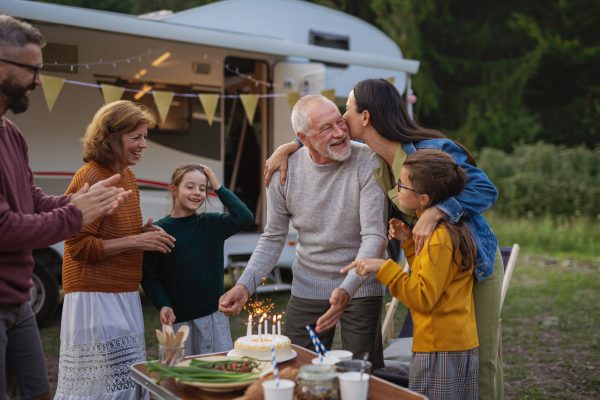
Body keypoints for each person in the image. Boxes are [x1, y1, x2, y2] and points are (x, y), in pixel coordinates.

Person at [265, 79, 504, 399]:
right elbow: (316, 138)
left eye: (345, 111)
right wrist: (289, 146)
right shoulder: (377, 163)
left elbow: (486, 189)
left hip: (471, 261)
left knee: (480, 357)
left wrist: (436, 212)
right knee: (445, 355)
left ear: (364, 117)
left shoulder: (429, 151)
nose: (341, 119)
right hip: (432, 264)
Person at [0, 15, 130, 400]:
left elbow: (32, 200)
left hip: (19, 298)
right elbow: (4, 226)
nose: (39, 80)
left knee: (39, 393)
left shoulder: (12, 134)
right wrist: (76, 215)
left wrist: (78, 201)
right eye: (32, 69)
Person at [219, 94, 389, 368]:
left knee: (361, 374)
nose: (339, 133)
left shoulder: (368, 161)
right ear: (303, 138)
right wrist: (244, 284)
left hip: (359, 286)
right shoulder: (282, 172)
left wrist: (347, 289)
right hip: (308, 284)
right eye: (326, 128)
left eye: (339, 122)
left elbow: (375, 236)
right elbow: (273, 237)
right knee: (295, 368)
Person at [56, 101, 176, 400]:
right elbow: (78, 246)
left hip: (123, 292)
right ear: (111, 137)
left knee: (126, 383)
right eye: (136, 137)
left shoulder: (129, 177)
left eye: (145, 136)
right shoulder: (91, 176)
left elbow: (113, 232)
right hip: (94, 295)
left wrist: (143, 233)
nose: (143, 144)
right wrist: (136, 242)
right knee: (102, 388)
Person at [342, 149, 480, 399]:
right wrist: (408, 242)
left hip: (439, 350)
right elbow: (430, 277)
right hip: (454, 344)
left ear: (424, 199)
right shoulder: (447, 229)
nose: (396, 188)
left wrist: (383, 268)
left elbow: (422, 297)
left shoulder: (439, 239)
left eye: (402, 184)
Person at [141, 163, 253, 355]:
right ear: (174, 190)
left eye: (203, 188)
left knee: (218, 374)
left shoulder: (212, 224)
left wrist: (218, 187)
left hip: (214, 318)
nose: (197, 193)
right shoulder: (159, 231)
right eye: (190, 186)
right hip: (178, 322)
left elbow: (245, 217)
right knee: (182, 378)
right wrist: (162, 303)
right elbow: (150, 277)